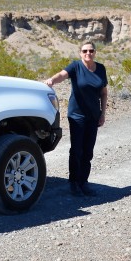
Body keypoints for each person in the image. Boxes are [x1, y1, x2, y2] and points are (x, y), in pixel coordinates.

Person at [44, 42, 108, 197]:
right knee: (76, 149)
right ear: (80, 53)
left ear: (95, 52)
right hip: (77, 115)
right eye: (85, 51)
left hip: (93, 116)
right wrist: (51, 81)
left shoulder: (100, 69)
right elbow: (62, 75)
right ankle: (73, 182)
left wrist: (103, 113)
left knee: (88, 151)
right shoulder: (76, 67)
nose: (88, 53)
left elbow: (104, 92)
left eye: (91, 50)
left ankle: (83, 182)